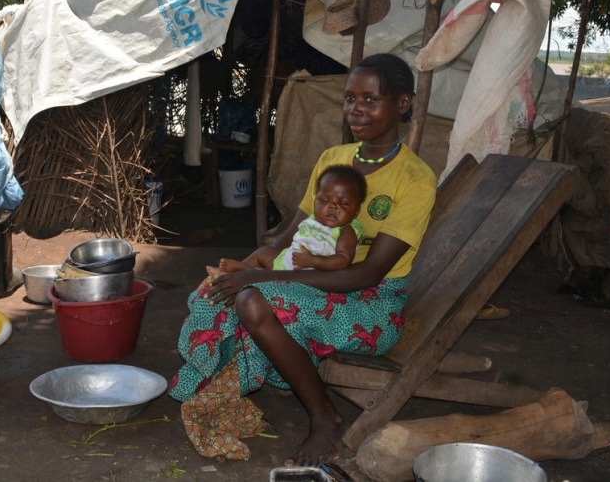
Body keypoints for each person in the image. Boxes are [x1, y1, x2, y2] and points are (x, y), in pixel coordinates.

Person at [170, 53, 438, 466]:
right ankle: (227, 379)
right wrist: (256, 262)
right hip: (310, 280)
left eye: (370, 100)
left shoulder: (414, 179)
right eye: (350, 98)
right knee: (219, 292)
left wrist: (261, 283)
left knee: (251, 300)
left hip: (370, 302)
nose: (356, 110)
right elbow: (292, 237)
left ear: (402, 104)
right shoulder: (333, 159)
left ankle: (325, 418)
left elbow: (367, 273)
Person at [219, 164, 366, 273]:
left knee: (269, 276)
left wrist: (313, 261)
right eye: (324, 201)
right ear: (315, 200)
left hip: (309, 275)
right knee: (264, 252)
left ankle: (248, 273)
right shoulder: (313, 219)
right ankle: (236, 271)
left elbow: (344, 260)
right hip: (286, 262)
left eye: (343, 203)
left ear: (356, 211)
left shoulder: (346, 231)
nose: (333, 207)